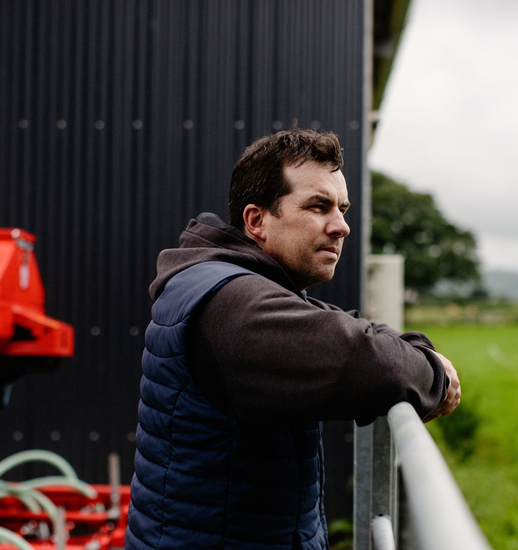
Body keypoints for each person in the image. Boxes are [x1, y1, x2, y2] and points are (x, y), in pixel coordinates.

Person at [125, 128, 460, 550]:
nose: (341, 227)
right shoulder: (235, 305)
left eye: (342, 209)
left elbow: (350, 327)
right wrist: (434, 373)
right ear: (256, 220)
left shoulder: (239, 285)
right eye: (319, 206)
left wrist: (415, 348)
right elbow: (372, 361)